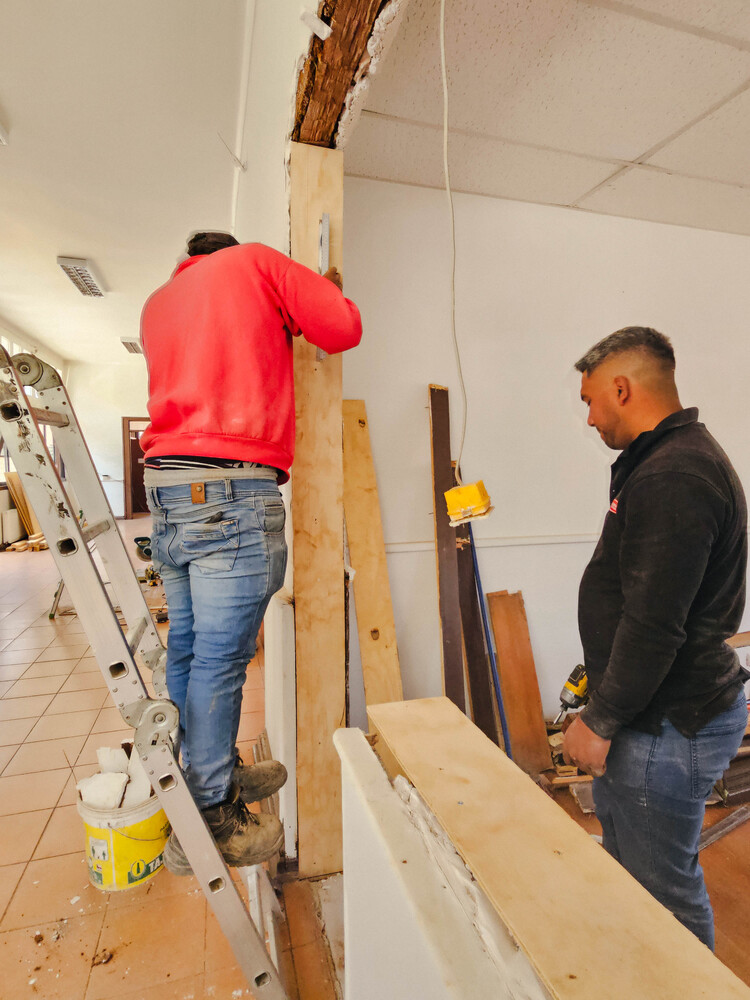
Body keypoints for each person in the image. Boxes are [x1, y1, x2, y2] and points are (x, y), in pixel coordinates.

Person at [140, 231, 362, 874]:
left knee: (187, 644)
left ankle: (210, 774)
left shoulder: (159, 301)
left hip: (168, 489)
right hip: (229, 488)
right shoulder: (256, 264)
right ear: (229, 250)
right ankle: (210, 816)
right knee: (221, 658)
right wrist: (317, 289)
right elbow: (341, 327)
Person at [564, 326, 748, 949]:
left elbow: (653, 623)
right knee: (633, 875)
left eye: (591, 401)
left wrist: (601, 720)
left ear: (622, 389)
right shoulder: (661, 463)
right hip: (653, 717)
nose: (589, 418)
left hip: (669, 723)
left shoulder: (676, 475)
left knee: (662, 896)